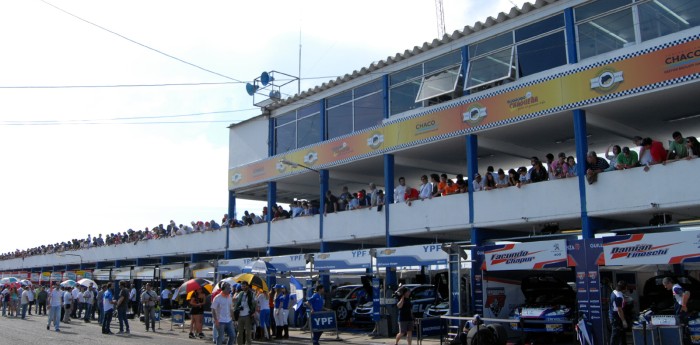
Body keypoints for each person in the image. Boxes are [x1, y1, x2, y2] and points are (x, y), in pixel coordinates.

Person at [236, 281, 257, 345]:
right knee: (239, 332)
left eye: (244, 286)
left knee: (248, 333)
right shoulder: (240, 293)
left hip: (248, 315)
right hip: (240, 315)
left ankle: (248, 344)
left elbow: (255, 303)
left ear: (247, 286)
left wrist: (254, 312)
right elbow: (235, 300)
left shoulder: (251, 294)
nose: (243, 287)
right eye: (242, 286)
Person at [609, 280, 629, 345]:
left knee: (621, 334)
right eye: (626, 287)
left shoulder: (614, 292)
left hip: (612, 315)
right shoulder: (618, 296)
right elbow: (619, 310)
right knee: (615, 335)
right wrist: (623, 321)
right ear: (624, 288)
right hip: (616, 317)